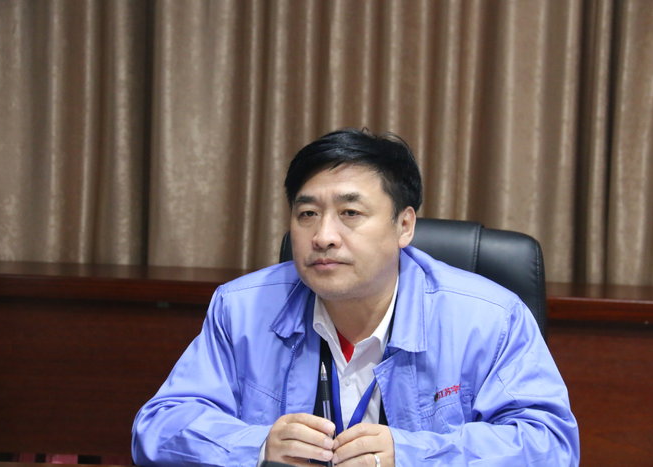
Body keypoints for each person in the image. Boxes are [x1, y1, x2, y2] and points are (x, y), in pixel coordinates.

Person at [132, 128, 580, 466]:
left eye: (350, 212)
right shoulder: (240, 309)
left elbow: (551, 444)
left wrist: (412, 456)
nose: (323, 236)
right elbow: (157, 427)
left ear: (404, 226)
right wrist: (257, 446)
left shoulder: (490, 317)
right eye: (307, 214)